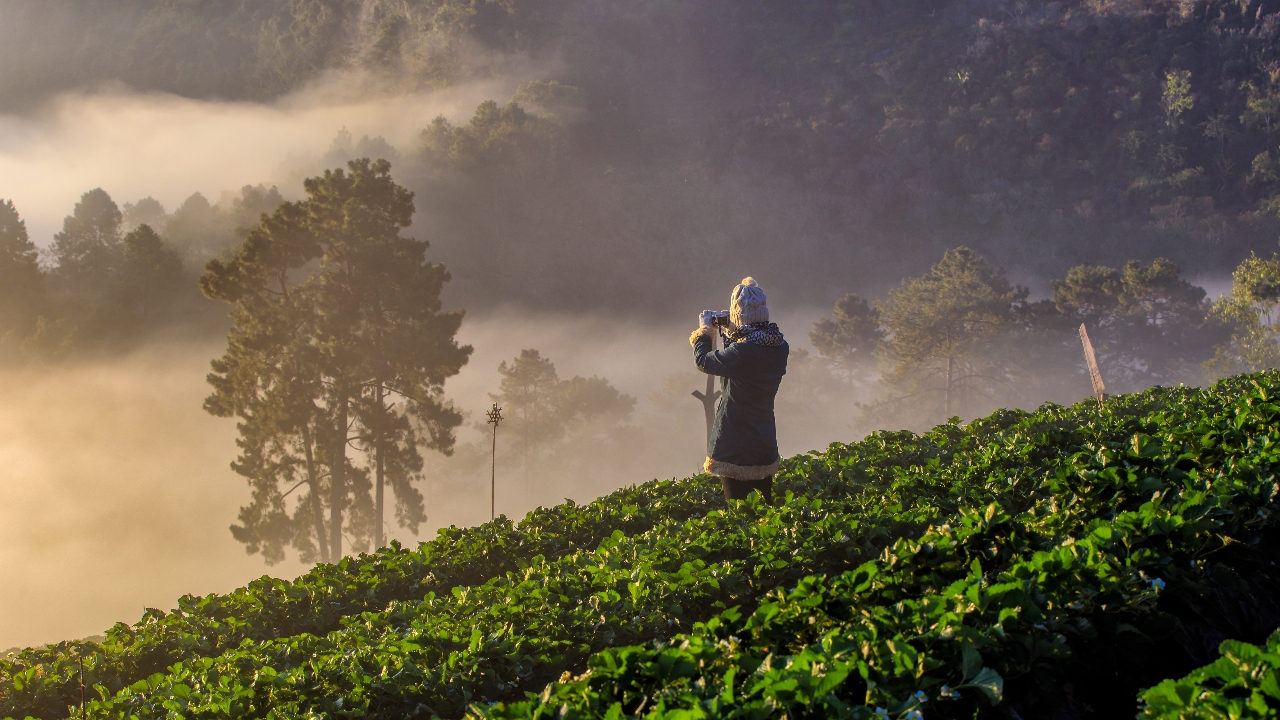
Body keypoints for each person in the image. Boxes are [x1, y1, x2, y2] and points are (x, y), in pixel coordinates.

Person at [690, 277, 789, 504]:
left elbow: (704, 361)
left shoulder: (741, 353)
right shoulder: (780, 346)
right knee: (765, 508)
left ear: (739, 316)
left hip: (736, 444)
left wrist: (705, 330)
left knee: (738, 512)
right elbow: (751, 347)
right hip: (763, 440)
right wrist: (734, 329)